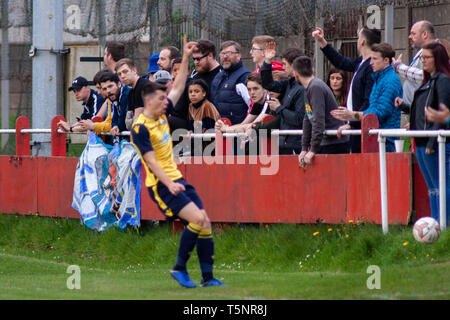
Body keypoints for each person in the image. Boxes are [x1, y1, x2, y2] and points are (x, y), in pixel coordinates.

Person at [131, 81, 225, 288]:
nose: (166, 102)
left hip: (177, 178)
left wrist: (186, 56)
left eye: (166, 98)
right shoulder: (140, 128)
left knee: (205, 223)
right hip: (161, 184)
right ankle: (179, 268)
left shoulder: (162, 114)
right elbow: (150, 161)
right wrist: (169, 183)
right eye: (161, 98)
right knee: (197, 219)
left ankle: (207, 278)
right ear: (148, 101)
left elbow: (179, 87)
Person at [394, 42, 450, 226]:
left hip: (433, 143)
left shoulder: (442, 81)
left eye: (426, 58)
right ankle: (436, 225)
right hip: (420, 141)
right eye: (422, 58)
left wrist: (432, 142)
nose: (423, 61)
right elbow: (423, 111)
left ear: (437, 59)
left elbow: (442, 113)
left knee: (441, 186)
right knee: (433, 188)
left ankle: (444, 225)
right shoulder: (429, 81)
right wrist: (404, 106)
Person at [312, 26, 381, 153]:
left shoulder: (370, 66)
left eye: (358, 37)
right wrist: (322, 42)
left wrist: (353, 122)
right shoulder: (361, 61)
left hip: (361, 127)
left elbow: (368, 100)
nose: (357, 41)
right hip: (355, 126)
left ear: (363, 42)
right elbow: (341, 62)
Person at [331, 43, 403, 153]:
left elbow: (381, 112)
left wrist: (354, 115)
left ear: (386, 60)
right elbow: (373, 108)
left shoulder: (390, 81)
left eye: (374, 59)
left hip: (386, 141)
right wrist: (354, 122)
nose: (371, 63)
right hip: (378, 138)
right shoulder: (379, 79)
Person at [293, 56, 349, 168]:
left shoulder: (315, 87)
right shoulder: (309, 87)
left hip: (334, 143)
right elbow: (308, 117)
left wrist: (313, 149)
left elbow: (318, 120)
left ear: (296, 74)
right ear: (312, 70)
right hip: (326, 142)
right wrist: (304, 148)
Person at [260, 43, 306, 154]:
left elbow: (299, 119)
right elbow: (268, 84)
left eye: (285, 64)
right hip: (284, 142)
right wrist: (267, 62)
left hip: (296, 145)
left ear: (294, 65)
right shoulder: (289, 83)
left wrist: (279, 108)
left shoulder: (302, 89)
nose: (283, 67)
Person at [171, 39, 223, 131]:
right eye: (194, 59)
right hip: (192, 124)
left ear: (210, 55)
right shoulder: (194, 74)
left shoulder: (222, 74)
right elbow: (178, 89)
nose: (195, 62)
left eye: (198, 59)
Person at [392, 21, 437, 105]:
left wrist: (399, 67)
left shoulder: (435, 51)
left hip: (423, 111)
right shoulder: (421, 52)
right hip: (414, 109)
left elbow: (424, 76)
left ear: (425, 34)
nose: (409, 37)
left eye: (413, 34)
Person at [78, 71, 130, 139]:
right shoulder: (113, 98)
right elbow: (114, 121)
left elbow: (120, 122)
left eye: (110, 86)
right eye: (104, 89)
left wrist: (94, 126)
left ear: (119, 84)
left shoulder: (125, 95)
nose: (99, 92)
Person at [210, 41, 251, 125]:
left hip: (239, 133)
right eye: (222, 53)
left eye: (229, 53)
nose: (225, 56)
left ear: (238, 56)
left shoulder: (244, 77)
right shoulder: (218, 77)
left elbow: (252, 106)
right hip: (220, 130)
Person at [115, 58, 151, 130]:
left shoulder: (143, 86)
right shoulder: (131, 92)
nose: (122, 76)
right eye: (119, 74)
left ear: (134, 70)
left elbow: (137, 122)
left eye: (125, 72)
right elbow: (128, 123)